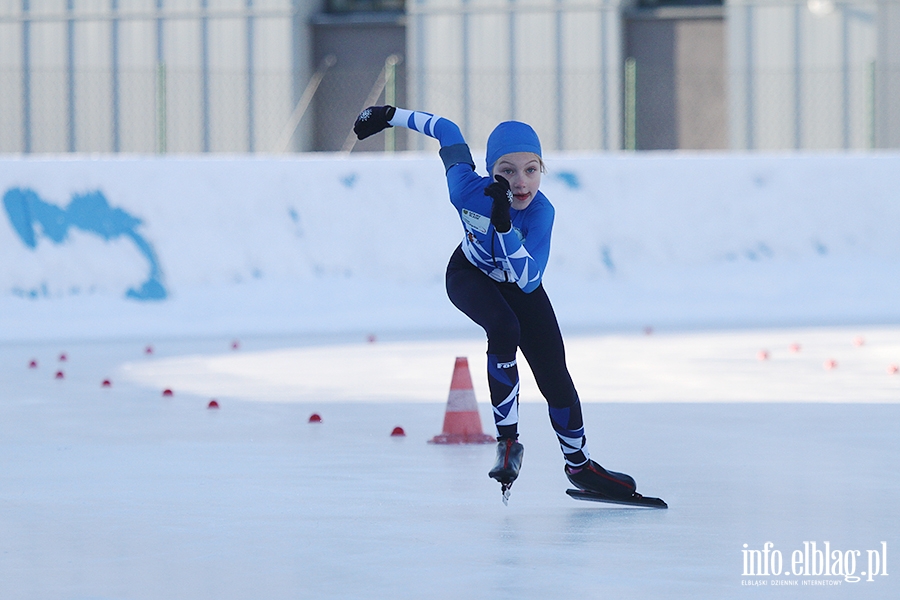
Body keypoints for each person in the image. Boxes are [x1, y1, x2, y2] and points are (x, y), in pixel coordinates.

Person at [354, 105, 637, 500]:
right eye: (507, 170)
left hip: (518, 283)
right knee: (504, 327)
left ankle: (581, 465)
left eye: (531, 169)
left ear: (541, 170)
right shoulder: (465, 189)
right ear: (490, 172)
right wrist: (388, 114)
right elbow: (446, 129)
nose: (521, 182)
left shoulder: (541, 213)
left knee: (555, 373)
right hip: (469, 276)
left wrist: (504, 226)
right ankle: (508, 443)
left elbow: (528, 279)